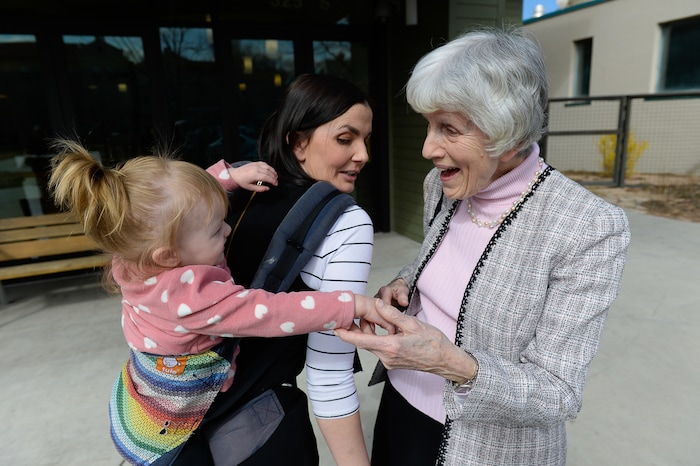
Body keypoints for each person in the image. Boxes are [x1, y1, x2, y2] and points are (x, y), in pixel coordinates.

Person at [334, 26, 631, 466]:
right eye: (428, 125)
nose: (427, 148)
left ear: (506, 134)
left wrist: (447, 361)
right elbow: (442, 258)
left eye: (448, 128)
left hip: (487, 449)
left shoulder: (587, 227)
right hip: (400, 411)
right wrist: (405, 282)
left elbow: (558, 393)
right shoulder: (442, 183)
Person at [47, 138, 391, 466]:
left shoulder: (131, 254)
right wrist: (351, 305)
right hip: (171, 429)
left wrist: (228, 176)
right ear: (168, 256)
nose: (227, 231)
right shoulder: (192, 297)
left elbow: (182, 203)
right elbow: (272, 311)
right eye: (215, 230)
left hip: (141, 380)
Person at [198, 73, 375, 465]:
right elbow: (329, 372)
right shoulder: (346, 223)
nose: (363, 154)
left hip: (178, 417)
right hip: (256, 433)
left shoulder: (233, 189)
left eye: (366, 139)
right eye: (346, 139)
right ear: (298, 142)